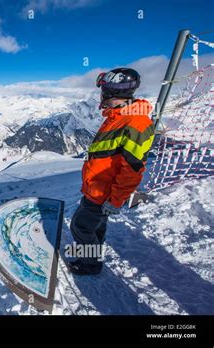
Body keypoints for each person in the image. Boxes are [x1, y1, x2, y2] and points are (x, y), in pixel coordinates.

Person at [67, 68, 155, 276]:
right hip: (98, 187)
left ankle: (89, 265)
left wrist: (115, 200)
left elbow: (132, 169)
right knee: (96, 227)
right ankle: (94, 258)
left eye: (103, 91)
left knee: (80, 227)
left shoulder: (136, 123)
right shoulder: (119, 116)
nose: (100, 96)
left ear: (109, 93)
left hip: (102, 191)